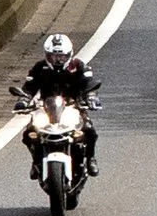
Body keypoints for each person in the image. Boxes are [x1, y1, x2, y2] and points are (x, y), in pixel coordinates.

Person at [17, 29, 102, 174]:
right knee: (29, 133)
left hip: (73, 107)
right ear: (47, 55)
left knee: (89, 130)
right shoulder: (39, 68)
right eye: (54, 56)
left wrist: (91, 97)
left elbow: (89, 82)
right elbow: (29, 87)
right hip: (46, 109)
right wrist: (23, 100)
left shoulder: (78, 66)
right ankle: (36, 161)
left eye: (61, 56)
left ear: (69, 54)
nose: (57, 60)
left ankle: (90, 159)